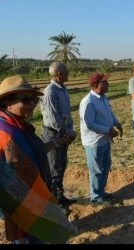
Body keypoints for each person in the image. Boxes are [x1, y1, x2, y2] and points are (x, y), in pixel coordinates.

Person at [0, 75, 77, 244]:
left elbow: (34, 153)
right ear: (7, 103)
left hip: (34, 200)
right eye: (26, 100)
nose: (32, 104)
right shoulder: (5, 131)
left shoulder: (20, 125)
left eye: (34, 100)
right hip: (23, 206)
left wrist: (56, 141)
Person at [79, 73, 123, 204]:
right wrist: (108, 130)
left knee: (105, 167)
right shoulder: (88, 102)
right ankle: (96, 197)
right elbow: (89, 124)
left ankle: (101, 192)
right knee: (96, 170)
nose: (107, 84)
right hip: (94, 143)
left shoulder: (104, 98)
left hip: (105, 140)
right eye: (104, 82)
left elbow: (110, 114)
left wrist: (117, 123)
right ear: (95, 85)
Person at [40, 62, 78, 205]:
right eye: (67, 71)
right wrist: (68, 132)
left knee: (61, 166)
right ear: (60, 74)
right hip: (54, 134)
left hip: (63, 133)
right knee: (53, 168)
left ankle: (59, 196)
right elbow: (53, 119)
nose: (69, 73)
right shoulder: (50, 92)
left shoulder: (63, 89)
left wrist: (69, 131)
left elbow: (66, 113)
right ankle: (53, 201)